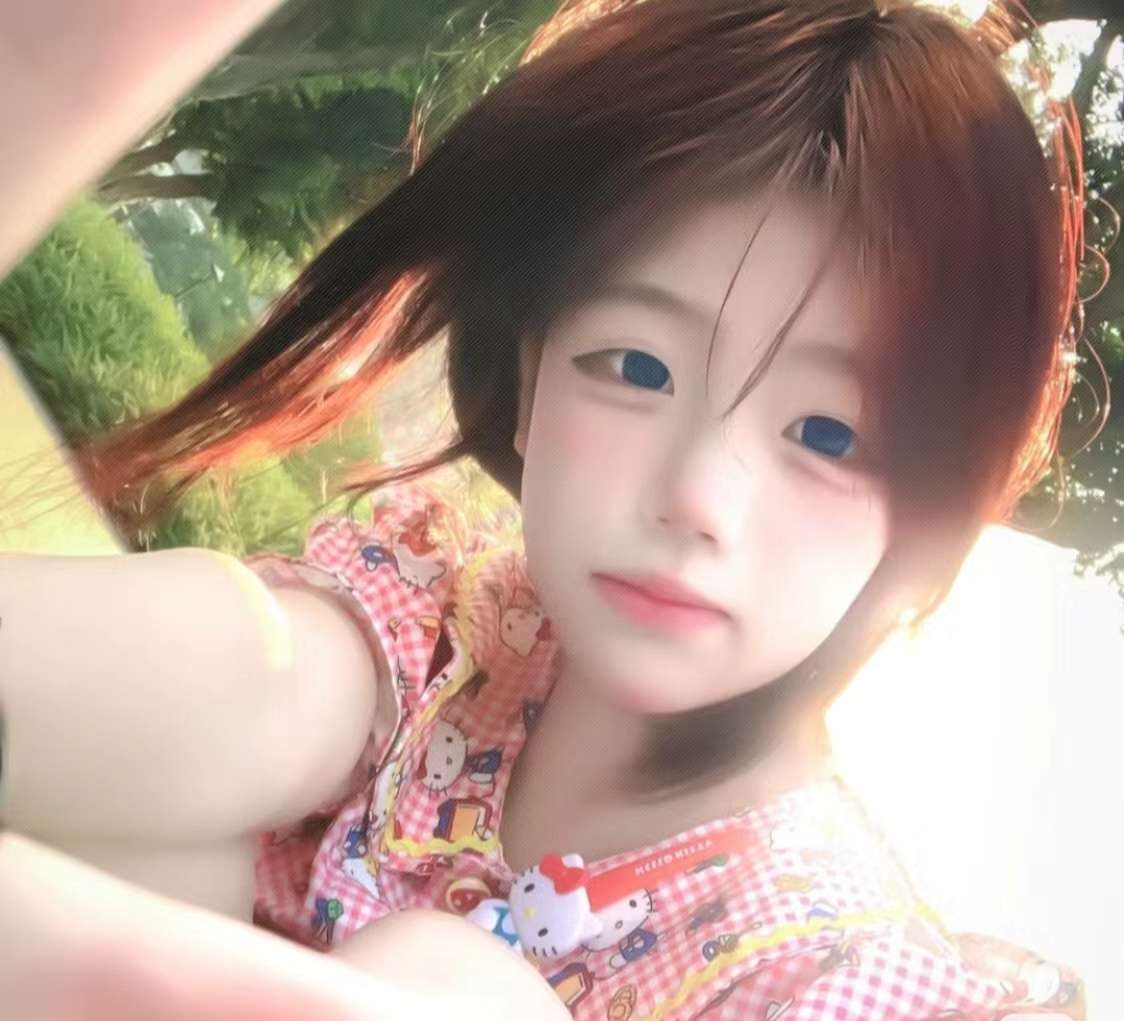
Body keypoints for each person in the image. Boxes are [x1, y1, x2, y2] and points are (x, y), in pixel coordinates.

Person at [0, 0, 1093, 1017]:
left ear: (922, 512)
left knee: (453, 982)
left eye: (828, 436)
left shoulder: (823, 969)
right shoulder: (453, 628)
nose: (697, 498)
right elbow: (256, 683)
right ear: (527, 380)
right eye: (636, 366)